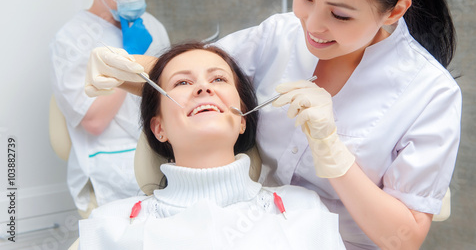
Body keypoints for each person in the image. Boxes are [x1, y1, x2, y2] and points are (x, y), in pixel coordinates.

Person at [84, 0, 461, 249]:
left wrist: (334, 155)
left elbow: (405, 238)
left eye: (340, 15)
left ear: (394, 11)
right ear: (157, 127)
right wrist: (126, 70)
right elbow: (203, 71)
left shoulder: (430, 93)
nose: (311, 26)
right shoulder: (279, 35)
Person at [78, 42, 345, 249]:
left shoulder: (302, 211)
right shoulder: (111, 226)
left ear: (242, 119)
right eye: (182, 82)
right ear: (159, 128)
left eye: (218, 79)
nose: (204, 88)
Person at [49, 0, 170, 217]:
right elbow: (93, 121)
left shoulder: (150, 25)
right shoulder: (70, 41)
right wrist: (126, 59)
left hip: (158, 143)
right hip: (110, 157)